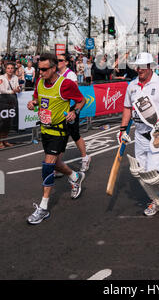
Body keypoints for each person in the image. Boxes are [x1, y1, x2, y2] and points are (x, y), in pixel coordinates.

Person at [118, 52, 159, 217]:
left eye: (143, 66)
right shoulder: (132, 85)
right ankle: (156, 200)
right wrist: (122, 130)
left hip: (158, 135)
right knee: (143, 173)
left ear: (150, 66)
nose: (139, 70)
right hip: (139, 136)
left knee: (154, 172)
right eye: (137, 66)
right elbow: (127, 108)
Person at [26, 53, 86, 225]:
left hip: (59, 131)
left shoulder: (65, 84)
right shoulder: (40, 82)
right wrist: (33, 104)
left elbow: (81, 100)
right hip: (45, 130)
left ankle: (43, 208)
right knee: (56, 164)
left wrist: (75, 111)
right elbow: (37, 99)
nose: (41, 72)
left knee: (47, 166)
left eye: (44, 69)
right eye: (39, 69)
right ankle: (75, 176)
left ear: (53, 68)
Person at [57, 53, 91, 172]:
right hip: (60, 109)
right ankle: (57, 166)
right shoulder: (55, 74)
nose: (57, 62)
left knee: (74, 135)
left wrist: (75, 111)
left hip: (71, 109)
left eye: (60, 60)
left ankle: (85, 157)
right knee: (62, 136)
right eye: (57, 60)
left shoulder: (70, 75)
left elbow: (77, 95)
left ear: (66, 62)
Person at [0, 62, 21, 148]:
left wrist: (18, 89)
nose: (10, 70)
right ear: (5, 69)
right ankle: (0, 142)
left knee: (8, 122)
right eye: (8, 68)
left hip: (11, 101)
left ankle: (5, 140)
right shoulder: (1, 77)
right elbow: (2, 90)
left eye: (12, 68)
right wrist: (13, 91)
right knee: (2, 122)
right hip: (2, 101)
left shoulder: (15, 77)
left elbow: (17, 87)